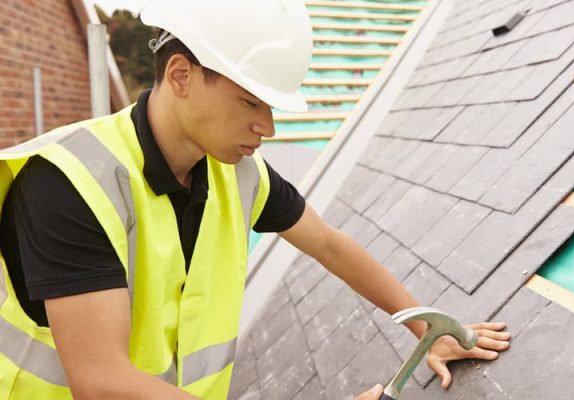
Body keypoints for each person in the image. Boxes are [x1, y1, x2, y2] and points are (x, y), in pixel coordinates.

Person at [0, 0, 510, 399]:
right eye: (250, 101)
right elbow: (101, 382)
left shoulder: (239, 175)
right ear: (181, 75)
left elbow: (330, 245)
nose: (266, 127)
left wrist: (428, 328)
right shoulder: (69, 183)